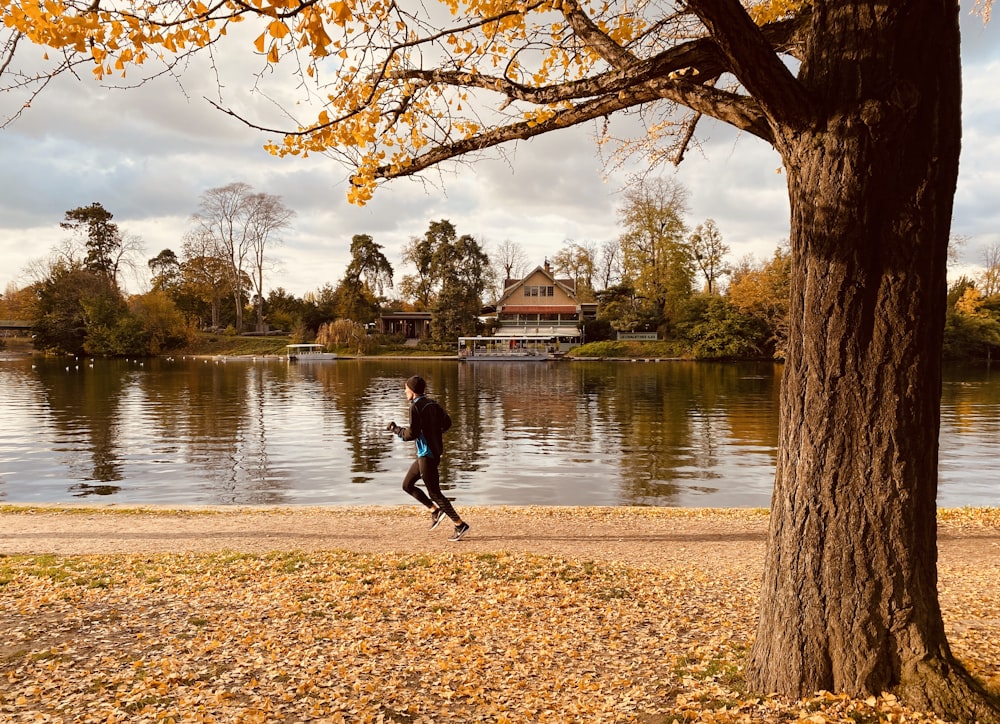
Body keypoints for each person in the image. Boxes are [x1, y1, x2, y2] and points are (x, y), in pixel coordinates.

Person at [386, 375, 470, 541]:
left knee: (435, 493)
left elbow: (412, 434)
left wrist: (396, 430)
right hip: (429, 454)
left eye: (406, 389)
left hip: (427, 456)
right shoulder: (433, 404)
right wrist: (434, 433)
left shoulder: (415, 407)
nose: (404, 391)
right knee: (407, 485)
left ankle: (460, 525)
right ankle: (434, 511)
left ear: (412, 391)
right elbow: (447, 423)